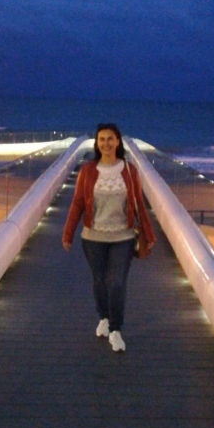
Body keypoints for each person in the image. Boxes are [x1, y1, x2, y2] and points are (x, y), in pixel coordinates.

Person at [62, 123, 155, 352]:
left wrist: (149, 233)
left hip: (123, 237)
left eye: (110, 139)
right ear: (97, 143)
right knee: (100, 281)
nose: (106, 143)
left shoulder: (130, 170)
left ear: (118, 142)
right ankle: (103, 316)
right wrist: (67, 233)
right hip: (93, 238)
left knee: (117, 283)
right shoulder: (87, 171)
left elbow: (139, 203)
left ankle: (115, 329)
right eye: (102, 139)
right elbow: (77, 203)